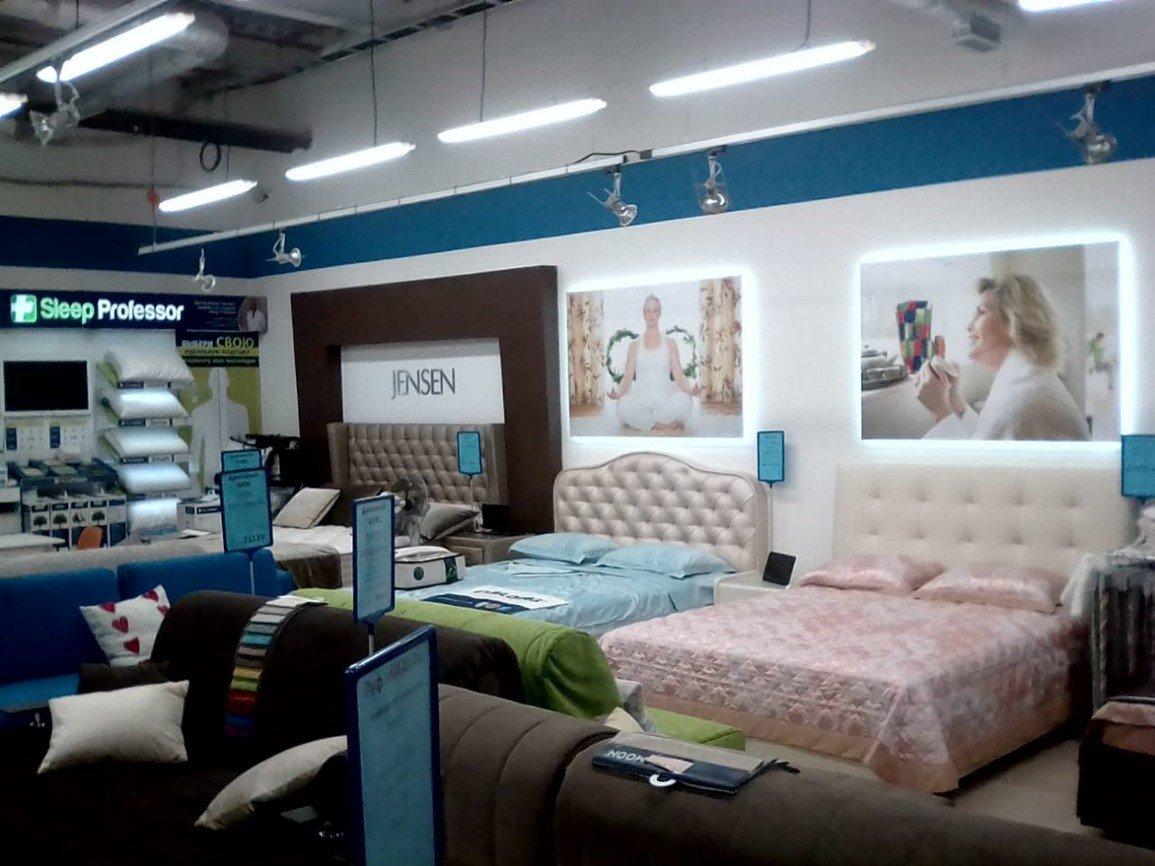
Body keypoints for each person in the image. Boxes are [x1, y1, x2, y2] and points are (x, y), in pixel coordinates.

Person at [916, 275, 1090, 441]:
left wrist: (940, 411)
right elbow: (988, 435)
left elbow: (979, 459)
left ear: (1015, 321)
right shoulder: (1025, 378)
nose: (969, 326)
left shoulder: (1021, 397)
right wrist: (955, 401)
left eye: (981, 312)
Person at [608, 294, 700, 432]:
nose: (652, 315)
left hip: (664, 400)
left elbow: (679, 375)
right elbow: (627, 377)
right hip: (640, 400)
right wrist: (618, 394)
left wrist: (691, 391)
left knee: (686, 400)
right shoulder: (634, 345)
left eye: (655, 311)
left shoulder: (670, 343)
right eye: (649, 311)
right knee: (622, 405)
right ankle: (662, 423)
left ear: (660, 313)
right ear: (644, 314)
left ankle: (647, 422)